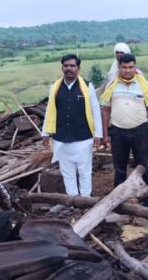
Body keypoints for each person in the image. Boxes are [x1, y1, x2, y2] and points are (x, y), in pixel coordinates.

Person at [100, 53, 148, 208]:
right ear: (119, 67)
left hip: (140, 131)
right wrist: (105, 135)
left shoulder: (142, 84)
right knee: (120, 168)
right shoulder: (112, 85)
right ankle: (118, 200)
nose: (128, 70)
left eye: (131, 67)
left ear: (135, 67)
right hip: (118, 132)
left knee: (144, 166)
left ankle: (147, 198)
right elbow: (105, 111)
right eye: (124, 67)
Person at [41, 54, 103, 197]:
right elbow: (50, 110)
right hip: (61, 138)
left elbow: (95, 110)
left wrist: (98, 134)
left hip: (83, 137)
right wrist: (45, 132)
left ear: (78, 68)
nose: (69, 69)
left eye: (72, 66)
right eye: (66, 66)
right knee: (67, 172)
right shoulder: (55, 87)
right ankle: (72, 201)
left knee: (84, 171)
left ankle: (86, 199)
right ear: (62, 67)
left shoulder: (87, 86)